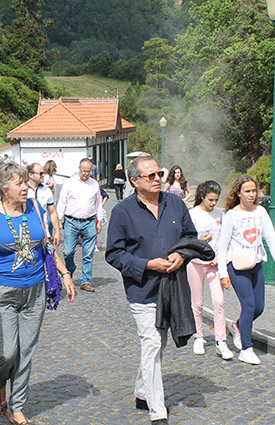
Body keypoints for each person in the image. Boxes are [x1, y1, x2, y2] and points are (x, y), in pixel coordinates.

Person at [0, 162, 75, 425]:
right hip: (1, 292)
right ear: (3, 187)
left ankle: (17, 407)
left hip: (34, 291)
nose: (25, 188)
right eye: (19, 183)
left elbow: (45, 246)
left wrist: (64, 273)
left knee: (25, 351)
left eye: (25, 182)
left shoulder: (34, 207)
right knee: (6, 352)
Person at [105, 155, 197, 424]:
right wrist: (146, 264)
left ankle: (142, 392)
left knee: (158, 345)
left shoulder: (175, 203)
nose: (158, 179)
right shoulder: (122, 212)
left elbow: (189, 237)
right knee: (153, 342)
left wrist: (182, 255)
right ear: (134, 181)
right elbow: (114, 254)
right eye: (151, 176)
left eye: (159, 174)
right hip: (142, 289)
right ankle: (158, 412)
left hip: (173, 288)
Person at [217, 175, 275, 365]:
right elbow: (222, 247)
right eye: (247, 191)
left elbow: (271, 240)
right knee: (249, 306)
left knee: (259, 307)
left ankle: (237, 326)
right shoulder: (231, 216)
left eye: (254, 191)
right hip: (236, 267)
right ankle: (246, 348)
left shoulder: (260, 212)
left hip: (256, 264)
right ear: (238, 194)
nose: (252, 195)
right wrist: (223, 274)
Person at [186, 180, 233, 359]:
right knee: (197, 302)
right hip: (196, 262)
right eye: (210, 200)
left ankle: (221, 340)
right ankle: (198, 335)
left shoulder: (220, 214)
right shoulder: (193, 214)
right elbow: (188, 239)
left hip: (215, 264)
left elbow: (224, 240)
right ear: (203, 196)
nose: (213, 203)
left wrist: (220, 258)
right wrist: (200, 242)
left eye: (216, 200)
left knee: (219, 301)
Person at [56, 158, 103, 292]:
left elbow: (97, 203)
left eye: (89, 171)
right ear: (79, 169)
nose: (86, 174)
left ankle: (85, 281)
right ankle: (69, 270)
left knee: (88, 253)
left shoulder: (94, 184)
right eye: (84, 171)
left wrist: (99, 220)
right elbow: (62, 202)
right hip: (71, 221)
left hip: (89, 221)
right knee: (68, 252)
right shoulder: (69, 183)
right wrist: (59, 220)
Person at [26, 163, 61, 246]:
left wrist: (57, 232)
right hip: (26, 233)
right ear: (30, 174)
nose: (43, 176)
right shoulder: (23, 189)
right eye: (40, 173)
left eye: (44, 173)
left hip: (44, 233)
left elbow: (52, 212)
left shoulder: (46, 190)